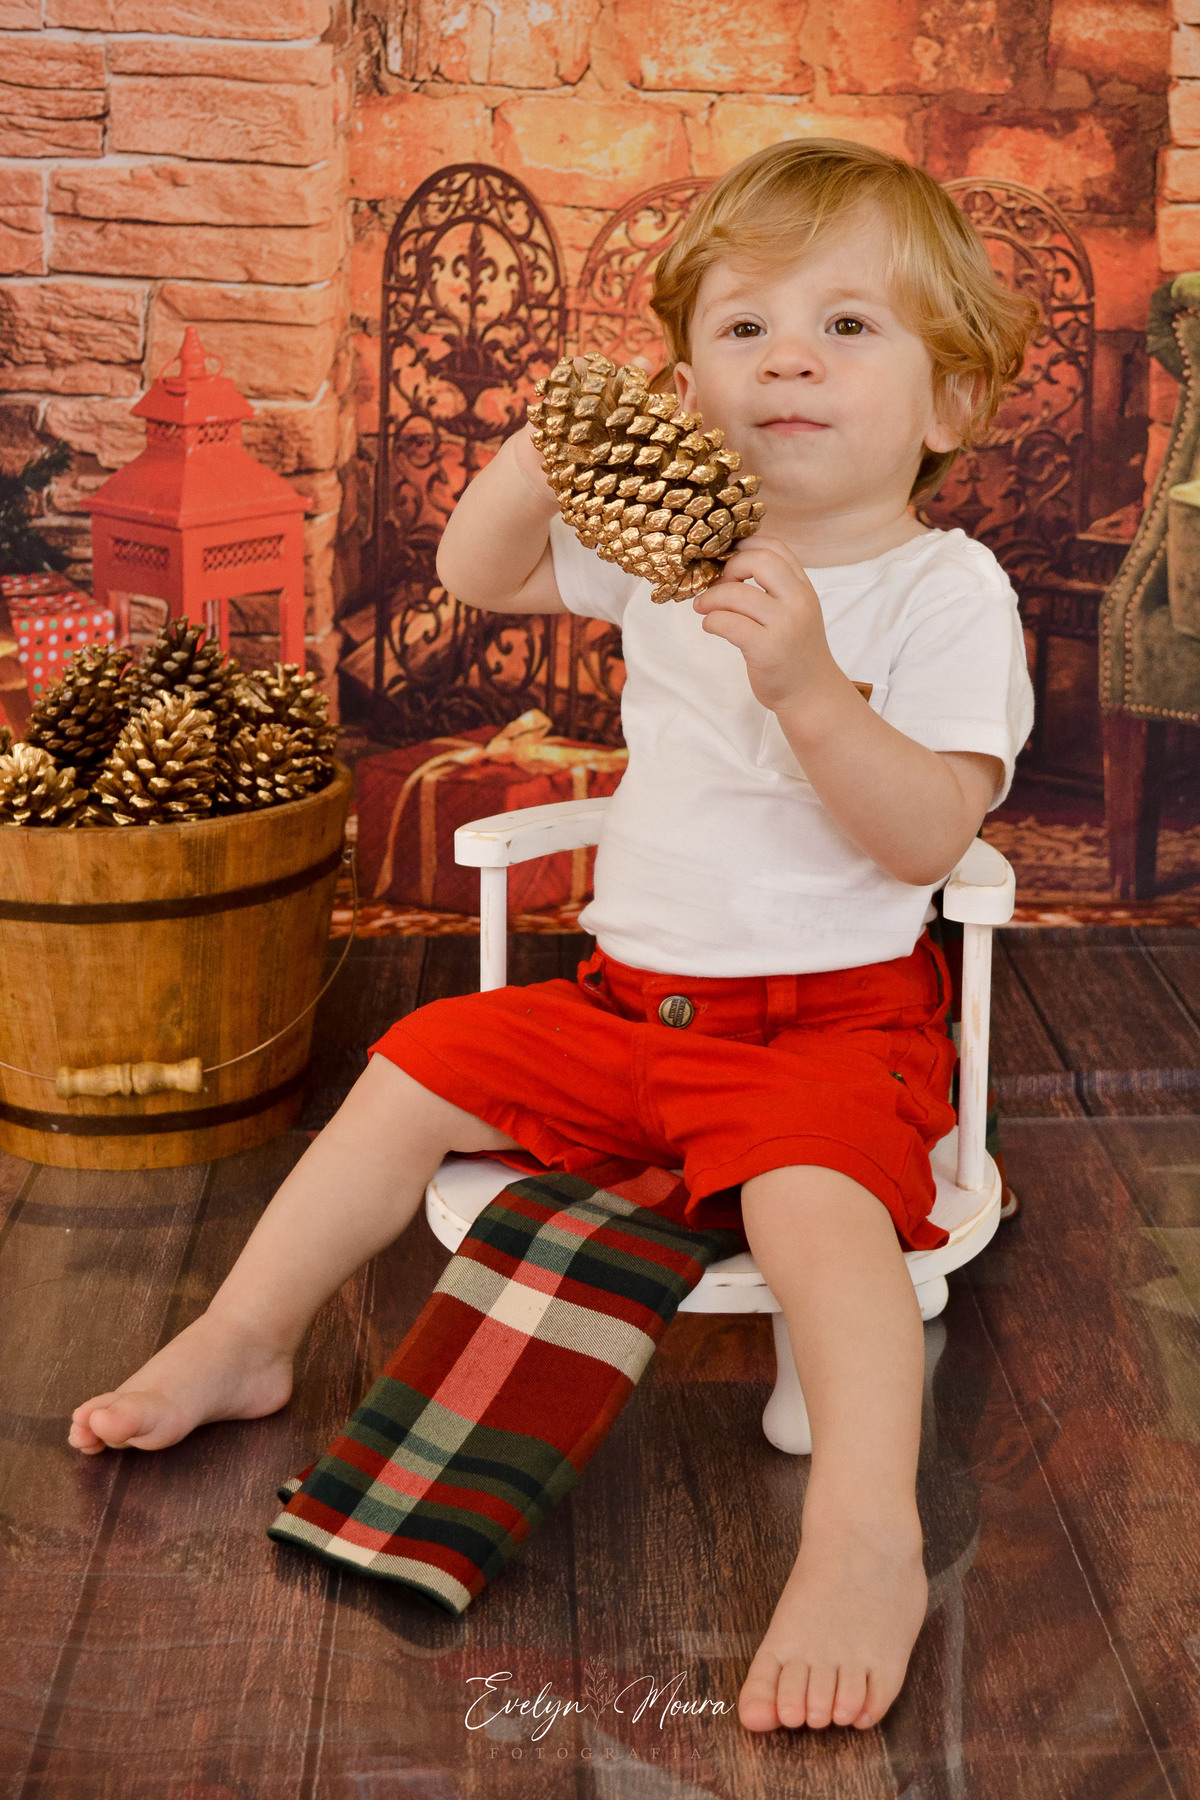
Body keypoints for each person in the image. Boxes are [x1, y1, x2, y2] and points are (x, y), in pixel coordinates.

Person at [68, 139, 1036, 1737]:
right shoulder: (669, 552)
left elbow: (931, 832)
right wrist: (553, 434)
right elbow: (476, 566)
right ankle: (244, 1336)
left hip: (825, 1024)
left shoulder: (946, 593)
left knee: (828, 1216)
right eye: (743, 330)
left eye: (849, 327)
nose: (789, 354)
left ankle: (868, 1527)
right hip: (620, 1005)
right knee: (413, 1064)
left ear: (947, 407)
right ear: (687, 384)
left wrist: (807, 683)